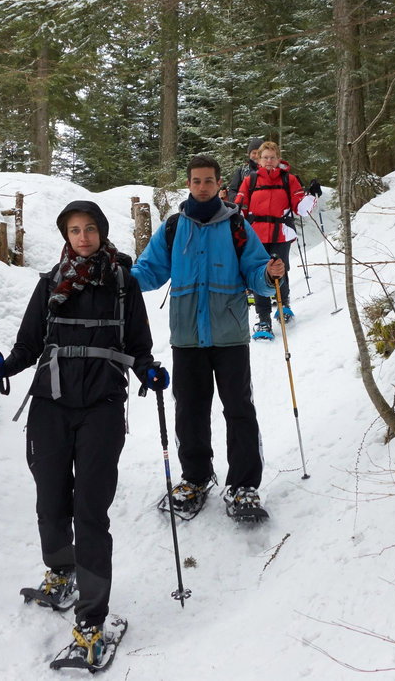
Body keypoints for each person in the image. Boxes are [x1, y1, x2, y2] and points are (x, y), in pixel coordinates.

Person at [0, 200, 167, 665]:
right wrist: (4, 364)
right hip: (50, 404)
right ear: (65, 235)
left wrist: (149, 372)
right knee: (51, 501)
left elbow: (138, 347)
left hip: (102, 406)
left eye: (90, 229)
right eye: (74, 230)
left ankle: (91, 623)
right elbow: (28, 345)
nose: (83, 237)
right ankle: (61, 571)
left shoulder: (123, 284)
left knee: (90, 511)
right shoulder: (49, 284)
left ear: (102, 232)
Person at [130, 155, 285, 522]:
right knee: (190, 411)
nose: (202, 186)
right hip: (186, 336)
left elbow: (254, 270)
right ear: (189, 184)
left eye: (208, 181)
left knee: (239, 410)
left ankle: (244, 485)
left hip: (229, 335)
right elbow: (150, 270)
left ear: (220, 185)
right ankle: (196, 478)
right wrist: (123, 278)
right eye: (196, 181)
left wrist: (269, 272)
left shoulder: (236, 225)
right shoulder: (172, 228)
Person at [234, 141, 312, 341]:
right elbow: (239, 208)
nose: (269, 161)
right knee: (260, 273)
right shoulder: (250, 180)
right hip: (256, 234)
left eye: (272, 157)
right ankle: (263, 319)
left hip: (281, 232)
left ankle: (283, 303)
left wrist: (310, 196)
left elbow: (300, 209)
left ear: (278, 159)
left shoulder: (289, 179)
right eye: (265, 157)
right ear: (258, 160)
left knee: (279, 268)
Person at [222, 137, 263, 201]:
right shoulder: (241, 171)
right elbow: (232, 191)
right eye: (254, 153)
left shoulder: (269, 170)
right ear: (249, 154)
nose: (257, 156)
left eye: (259, 153)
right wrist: (238, 199)